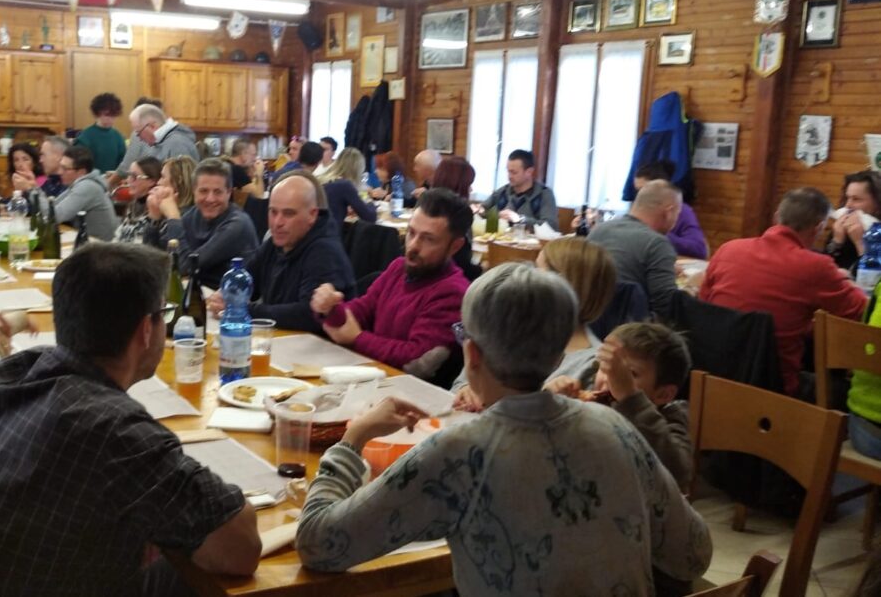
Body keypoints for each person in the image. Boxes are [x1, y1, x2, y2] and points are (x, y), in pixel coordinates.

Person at [295, 264, 712, 593]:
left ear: (472, 353)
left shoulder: (460, 450)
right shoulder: (617, 427)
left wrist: (352, 439)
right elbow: (694, 556)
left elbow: (319, 544)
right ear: (556, 357)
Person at [0, 242, 261, 595]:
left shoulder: (17, 373)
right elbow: (241, 550)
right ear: (146, 329)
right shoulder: (114, 430)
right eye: (164, 313)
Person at [701, 187, 868, 398]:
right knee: (844, 391)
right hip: (774, 386)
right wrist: (845, 278)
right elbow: (864, 312)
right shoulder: (816, 267)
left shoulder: (728, 248)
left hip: (715, 374)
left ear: (776, 217)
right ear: (818, 228)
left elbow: (705, 305)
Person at [311, 188, 471, 376]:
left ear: (455, 246)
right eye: (411, 233)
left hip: (412, 393)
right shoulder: (399, 268)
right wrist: (329, 308)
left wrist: (357, 338)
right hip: (376, 377)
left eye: (428, 239)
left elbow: (416, 358)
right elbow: (361, 311)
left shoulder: (453, 293)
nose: (413, 246)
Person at [453, 237, 616, 410]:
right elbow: (464, 377)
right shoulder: (517, 329)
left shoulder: (594, 365)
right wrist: (465, 389)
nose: (526, 276)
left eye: (537, 270)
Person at [207, 172, 355, 333]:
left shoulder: (325, 251)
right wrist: (225, 295)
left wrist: (243, 309)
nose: (277, 223)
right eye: (273, 212)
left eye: (288, 213)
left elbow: (308, 314)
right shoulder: (278, 241)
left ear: (312, 215)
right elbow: (246, 281)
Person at [577, 322, 694, 492]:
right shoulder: (592, 401)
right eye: (605, 368)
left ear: (664, 395)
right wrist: (553, 401)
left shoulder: (672, 416)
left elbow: (679, 474)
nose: (609, 379)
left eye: (630, 374)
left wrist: (630, 397)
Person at [587, 180, 682, 317]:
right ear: (669, 212)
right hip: (630, 330)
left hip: (589, 321)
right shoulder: (657, 244)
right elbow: (666, 305)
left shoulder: (599, 230)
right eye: (678, 213)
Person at [578, 161, 708, 259]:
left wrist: (658, 235)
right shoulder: (637, 209)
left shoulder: (682, 210)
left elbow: (700, 249)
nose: (639, 196)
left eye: (643, 190)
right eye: (637, 191)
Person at [177, 159, 260, 288]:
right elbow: (166, 262)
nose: (210, 199)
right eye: (203, 191)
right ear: (194, 191)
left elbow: (185, 266)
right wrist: (154, 220)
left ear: (229, 193)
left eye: (218, 192)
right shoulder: (192, 215)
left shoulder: (237, 224)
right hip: (198, 294)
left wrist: (172, 219)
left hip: (229, 301)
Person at [33, 145, 119, 241]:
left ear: (81, 172)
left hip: (102, 249)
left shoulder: (87, 186)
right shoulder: (80, 183)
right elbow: (53, 206)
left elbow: (55, 216)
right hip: (90, 244)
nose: (60, 172)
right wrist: (33, 188)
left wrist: (31, 189)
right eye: (61, 167)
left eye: (65, 169)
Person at [115, 103, 199, 178]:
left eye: (139, 132)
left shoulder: (177, 144)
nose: (139, 138)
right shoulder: (161, 142)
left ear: (152, 126)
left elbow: (181, 185)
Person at [482, 149, 559, 230]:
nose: (509, 176)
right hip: (502, 240)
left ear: (529, 172)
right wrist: (479, 210)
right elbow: (484, 209)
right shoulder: (503, 191)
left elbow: (551, 226)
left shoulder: (544, 194)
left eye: (514, 172)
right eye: (508, 171)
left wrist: (520, 219)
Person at [828, 170, 881, 273]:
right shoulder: (844, 225)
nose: (848, 205)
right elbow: (823, 269)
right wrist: (836, 242)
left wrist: (860, 243)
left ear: (877, 203)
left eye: (856, 199)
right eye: (847, 198)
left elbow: (873, 280)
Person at [144, 155, 197, 250]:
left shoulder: (188, 217)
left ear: (178, 181)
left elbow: (160, 255)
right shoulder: (165, 213)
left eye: (163, 177)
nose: (158, 182)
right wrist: (154, 217)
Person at [318, 146, 376, 232]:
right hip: (330, 237)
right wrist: (370, 202)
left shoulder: (321, 179)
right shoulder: (344, 185)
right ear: (357, 170)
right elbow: (370, 217)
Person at [75, 92, 127, 176]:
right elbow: (80, 165)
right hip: (90, 181)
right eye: (107, 115)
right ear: (97, 113)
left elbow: (123, 163)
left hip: (113, 181)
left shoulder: (118, 137)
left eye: (113, 115)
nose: (110, 119)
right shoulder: (85, 137)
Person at [115, 156, 162, 243]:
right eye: (129, 175)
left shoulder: (156, 210)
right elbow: (119, 236)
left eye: (134, 176)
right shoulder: (133, 205)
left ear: (151, 181)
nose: (128, 180)